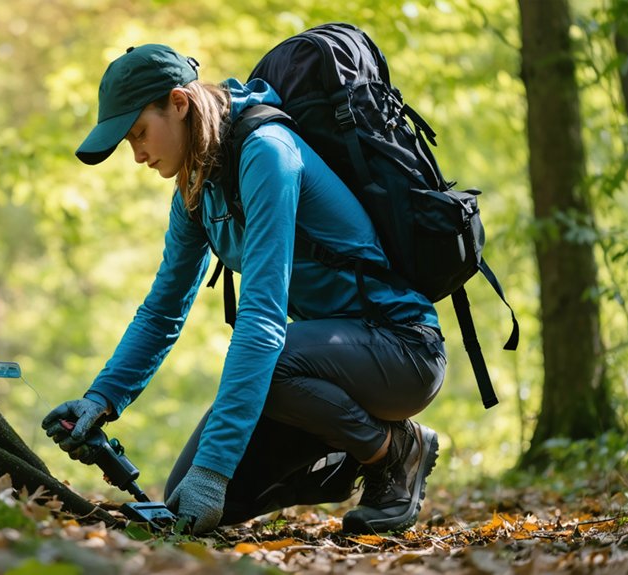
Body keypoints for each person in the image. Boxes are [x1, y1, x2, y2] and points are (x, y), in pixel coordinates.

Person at [41, 44, 446, 536]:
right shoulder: (197, 188)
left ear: (179, 103)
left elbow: (262, 319)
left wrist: (214, 470)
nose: (138, 155)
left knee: (245, 401)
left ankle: (392, 450)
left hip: (402, 348)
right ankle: (346, 450)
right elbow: (162, 312)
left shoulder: (266, 152)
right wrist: (101, 399)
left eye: (139, 133)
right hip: (316, 367)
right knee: (184, 497)